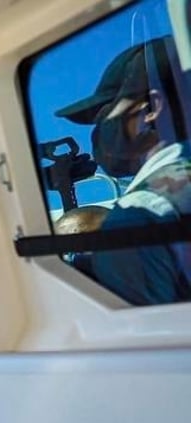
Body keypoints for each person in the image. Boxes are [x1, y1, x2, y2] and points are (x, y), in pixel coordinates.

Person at [55, 34, 191, 305]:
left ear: (151, 109)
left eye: (103, 113)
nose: (99, 129)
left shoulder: (145, 209)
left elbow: (138, 336)